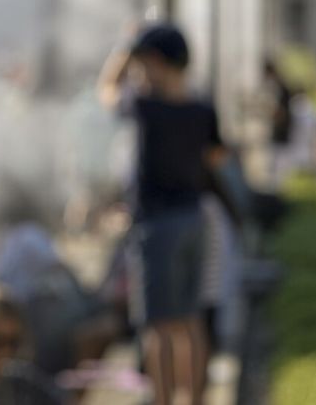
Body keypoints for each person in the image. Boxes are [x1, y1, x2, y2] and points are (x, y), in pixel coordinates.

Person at [98, 23, 226, 405]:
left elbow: (105, 93)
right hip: (195, 218)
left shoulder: (146, 106)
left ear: (155, 61)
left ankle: (165, 400)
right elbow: (217, 156)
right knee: (191, 322)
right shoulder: (202, 108)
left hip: (157, 225)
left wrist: (123, 46)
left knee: (157, 327)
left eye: (142, 62)